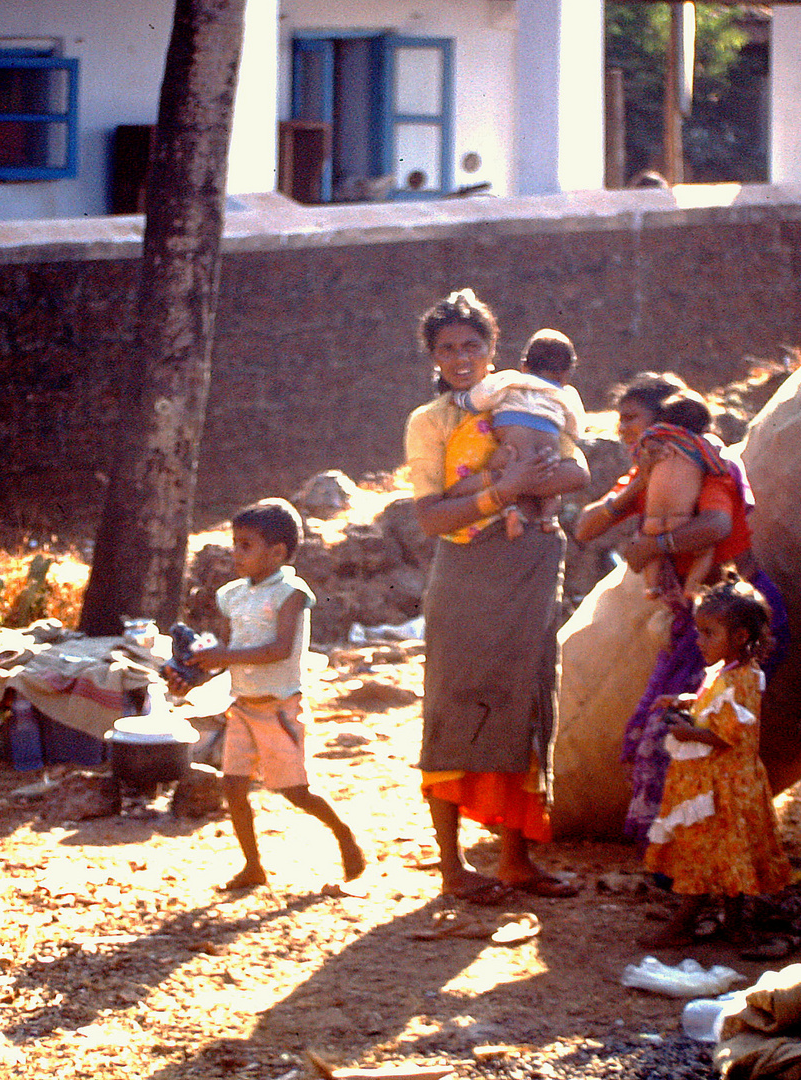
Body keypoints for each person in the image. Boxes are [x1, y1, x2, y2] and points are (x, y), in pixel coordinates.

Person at [404, 289, 590, 904]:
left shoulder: (526, 398)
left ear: (492, 349)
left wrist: (523, 482)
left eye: (472, 345)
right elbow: (431, 518)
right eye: (448, 348)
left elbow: (574, 470)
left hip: (531, 570)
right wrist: (502, 490)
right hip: (464, 573)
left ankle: (515, 861)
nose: (461, 358)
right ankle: (453, 867)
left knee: (525, 701)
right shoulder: (429, 423)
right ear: (433, 357)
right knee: (453, 704)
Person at [573, 372, 786, 845]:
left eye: (632, 418)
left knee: (694, 736)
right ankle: (688, 855)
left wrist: (655, 544)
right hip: (703, 621)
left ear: (666, 421)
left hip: (738, 616)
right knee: (676, 730)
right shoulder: (657, 470)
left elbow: (715, 524)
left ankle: (700, 858)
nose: (623, 429)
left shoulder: (704, 463)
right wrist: (637, 489)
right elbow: (584, 529)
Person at [176, 498, 365, 891]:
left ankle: (343, 832)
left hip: (279, 707)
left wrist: (222, 655)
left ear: (277, 553)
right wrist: (193, 668)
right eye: (234, 543)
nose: (235, 553)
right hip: (242, 706)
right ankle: (252, 867)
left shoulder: (291, 593)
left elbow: (278, 649)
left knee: (294, 791)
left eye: (246, 545)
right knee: (233, 786)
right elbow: (229, 646)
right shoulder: (234, 594)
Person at [641, 576, 791, 948]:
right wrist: (683, 701)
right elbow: (714, 707)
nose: (699, 640)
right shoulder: (725, 673)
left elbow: (728, 734)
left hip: (722, 787)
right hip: (715, 783)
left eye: (709, 633)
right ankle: (733, 925)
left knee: (705, 852)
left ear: (740, 636)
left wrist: (687, 733)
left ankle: (684, 923)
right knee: (726, 855)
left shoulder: (744, 679)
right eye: (699, 631)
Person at [446, 328, 586, 537]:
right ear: (566, 374)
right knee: (550, 486)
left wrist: (459, 399)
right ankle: (549, 518)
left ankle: (510, 511)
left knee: (495, 469)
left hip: (511, 451)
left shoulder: (509, 380)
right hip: (546, 453)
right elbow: (575, 429)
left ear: (524, 365)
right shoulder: (567, 394)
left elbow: (479, 399)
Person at [634, 390, 733, 600]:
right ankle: (692, 587)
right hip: (680, 520)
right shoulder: (699, 443)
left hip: (651, 522)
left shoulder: (653, 440)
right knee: (705, 552)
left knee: (654, 553)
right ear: (704, 427)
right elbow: (719, 466)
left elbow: (638, 452)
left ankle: (651, 588)